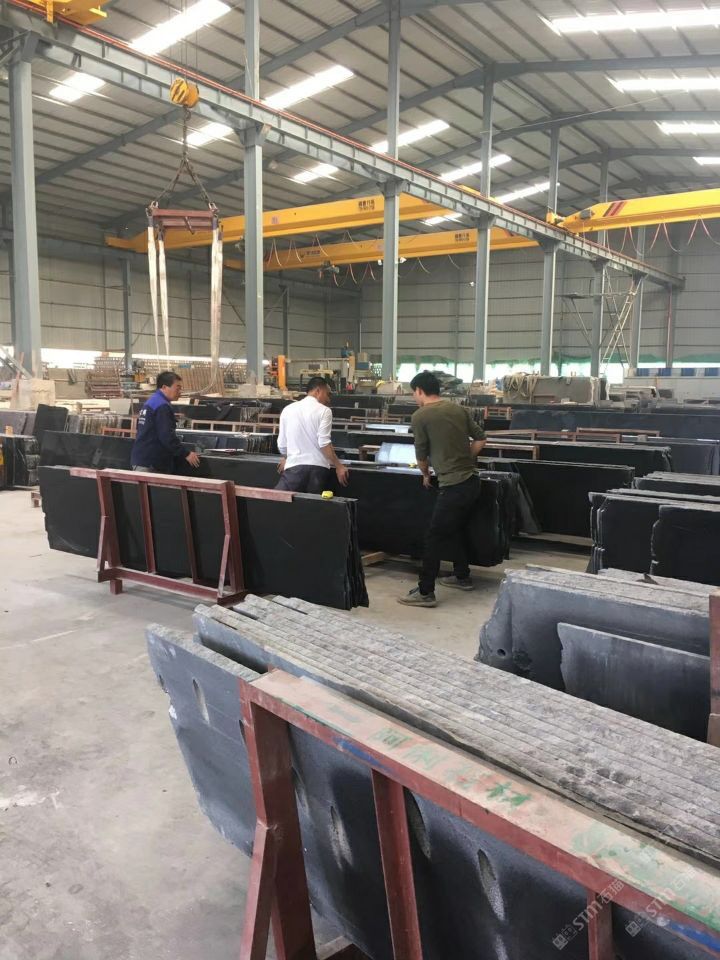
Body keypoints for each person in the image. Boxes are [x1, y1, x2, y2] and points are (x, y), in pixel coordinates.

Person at [398, 370, 486, 608]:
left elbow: (421, 455)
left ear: (419, 391)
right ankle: (461, 576)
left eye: (413, 393)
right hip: (471, 482)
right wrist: (465, 459)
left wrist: (426, 474)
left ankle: (425, 591)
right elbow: (480, 439)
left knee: (434, 537)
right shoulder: (458, 409)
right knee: (455, 529)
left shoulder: (420, 416)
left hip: (453, 486)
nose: (414, 397)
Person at [276, 376, 349, 493]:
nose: (328, 399)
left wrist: (289, 458)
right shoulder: (324, 411)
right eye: (327, 394)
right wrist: (339, 466)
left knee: (278, 499)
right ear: (318, 391)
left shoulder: (287, 410)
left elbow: (282, 445)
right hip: (318, 472)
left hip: (294, 471)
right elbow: (324, 443)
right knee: (312, 504)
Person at [131, 371, 201, 474]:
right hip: (151, 464)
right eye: (177, 387)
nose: (180, 391)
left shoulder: (152, 401)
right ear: (164, 387)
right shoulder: (162, 406)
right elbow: (167, 436)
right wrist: (186, 453)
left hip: (143, 459)